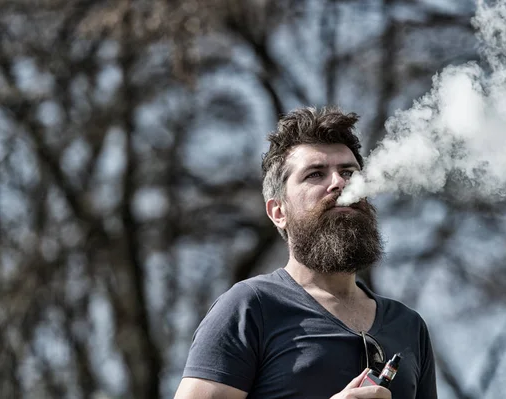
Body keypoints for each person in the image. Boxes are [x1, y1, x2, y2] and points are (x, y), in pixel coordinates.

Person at [174, 106, 438, 399]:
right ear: (278, 212)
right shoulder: (250, 308)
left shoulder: (409, 326)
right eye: (315, 174)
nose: (339, 182)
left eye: (348, 171)